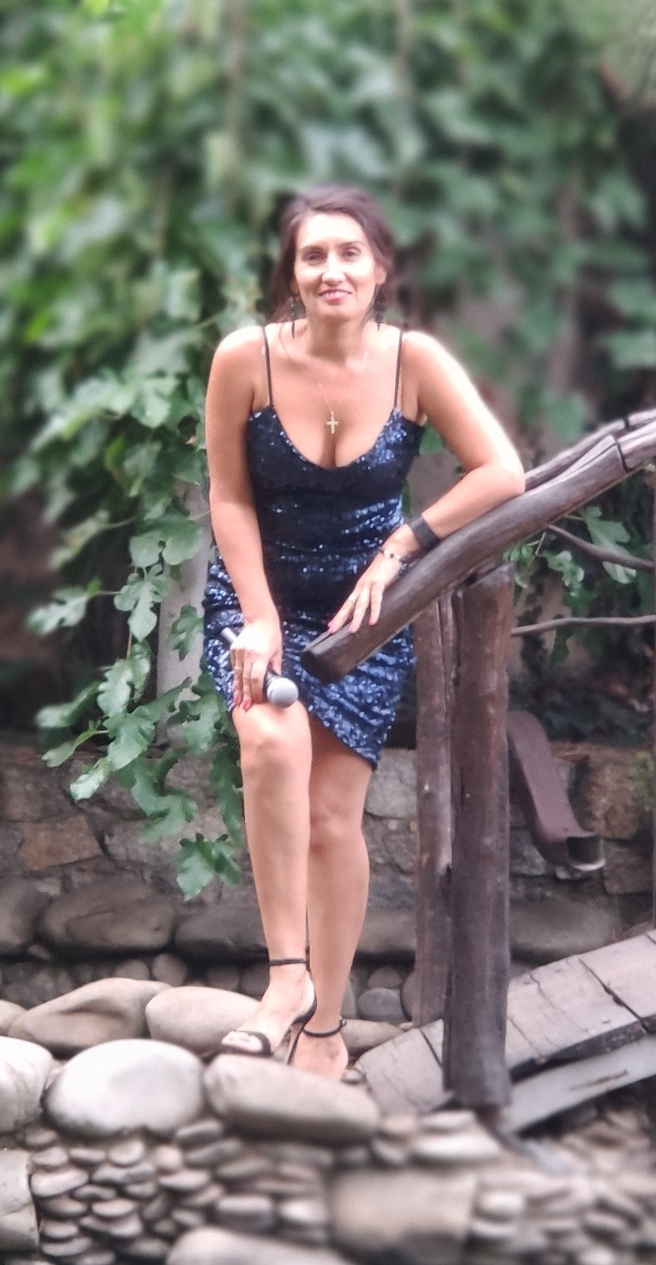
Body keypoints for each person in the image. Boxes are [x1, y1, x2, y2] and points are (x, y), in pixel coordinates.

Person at [200, 184, 525, 1080]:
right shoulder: (246, 359)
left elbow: (501, 471)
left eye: (349, 253)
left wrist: (402, 546)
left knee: (332, 819)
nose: (331, 270)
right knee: (269, 739)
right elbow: (229, 497)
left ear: (381, 270)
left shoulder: (415, 360)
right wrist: (258, 615)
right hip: (259, 598)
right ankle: (285, 980)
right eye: (313, 255)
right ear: (292, 275)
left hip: (366, 613)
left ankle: (327, 1026)